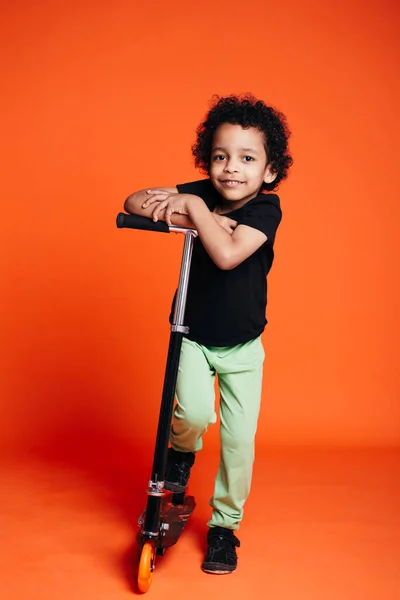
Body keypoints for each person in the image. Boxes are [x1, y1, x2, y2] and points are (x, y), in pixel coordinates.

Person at [124, 94, 293, 575]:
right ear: (207, 160)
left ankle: (224, 528)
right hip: (192, 337)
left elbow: (226, 254)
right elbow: (134, 201)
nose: (231, 168)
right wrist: (200, 211)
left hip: (243, 348)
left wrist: (194, 210)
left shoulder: (266, 211)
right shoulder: (200, 192)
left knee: (239, 443)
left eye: (247, 158)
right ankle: (181, 453)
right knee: (193, 413)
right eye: (220, 156)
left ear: (270, 172)